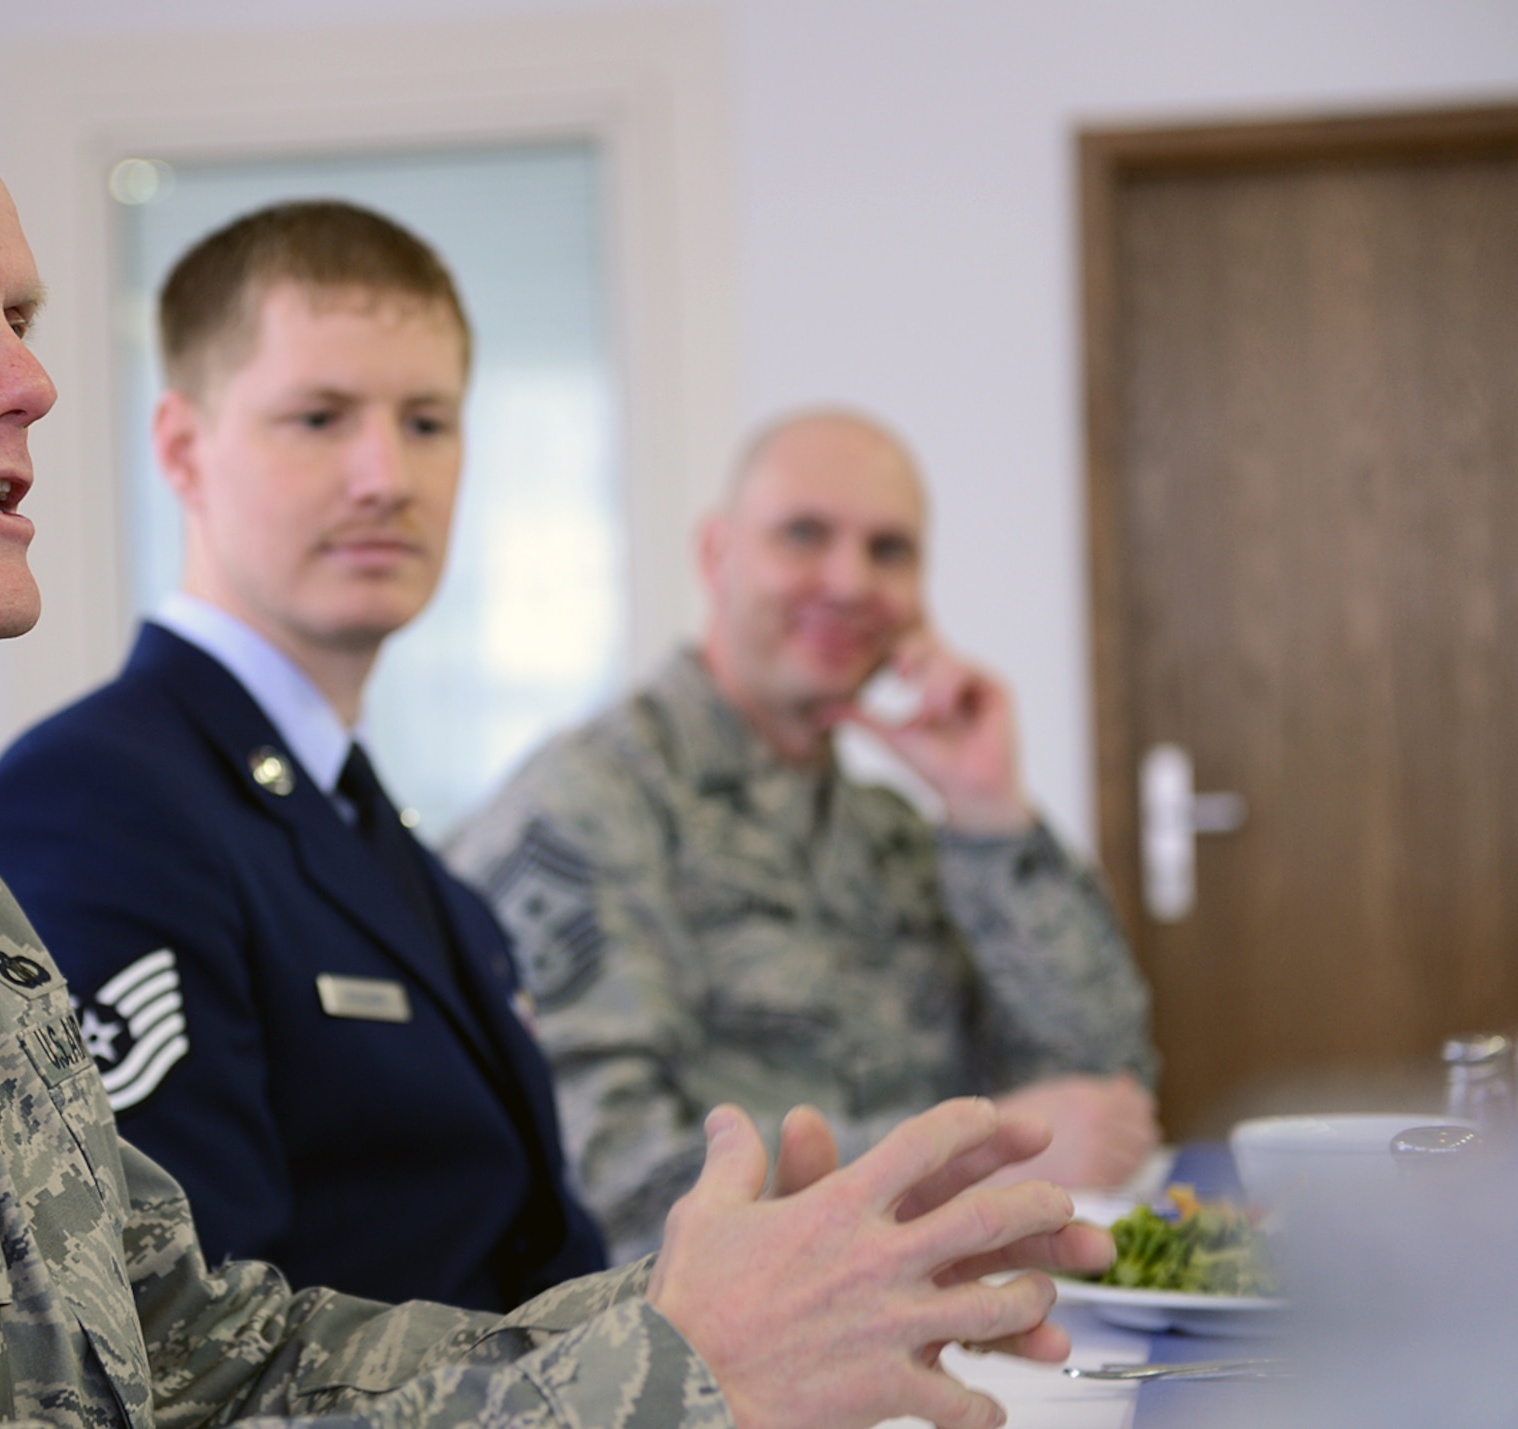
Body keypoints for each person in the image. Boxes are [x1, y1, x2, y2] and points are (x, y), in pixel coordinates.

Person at [0, 34, 1111, 1429]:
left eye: (20, 313)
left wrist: (706, 1328)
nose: (26, 379)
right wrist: (680, 1379)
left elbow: (193, 1363)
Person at [0, 202, 606, 1312]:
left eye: (426, 421)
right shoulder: (99, 801)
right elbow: (172, 1336)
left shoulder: (361, 821)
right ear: (180, 446)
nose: (384, 477)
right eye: (317, 417)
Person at [447, 410, 1160, 1260]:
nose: (851, 582)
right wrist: (964, 1163)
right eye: (803, 535)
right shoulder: (584, 806)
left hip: (932, 1329)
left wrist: (989, 810)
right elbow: (612, 1185)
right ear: (716, 555)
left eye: (889, 550)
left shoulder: (890, 834)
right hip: (703, 1371)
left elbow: (1109, 1088)